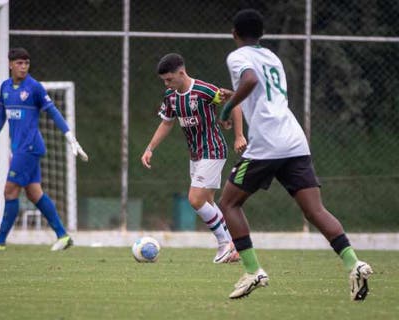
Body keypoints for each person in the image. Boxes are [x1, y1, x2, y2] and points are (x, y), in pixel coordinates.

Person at [218, 9, 373, 300]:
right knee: (316, 211)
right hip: (294, 140)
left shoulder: (237, 56)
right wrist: (237, 96)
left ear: (234, 33)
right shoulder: (273, 57)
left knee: (229, 203)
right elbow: (260, 89)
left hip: (266, 143)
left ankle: (253, 271)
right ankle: (354, 264)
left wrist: (227, 109)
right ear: (261, 34)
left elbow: (250, 81)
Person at [0, 48, 88, 251]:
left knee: (9, 191)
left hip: (29, 147)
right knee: (34, 193)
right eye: (19, 63)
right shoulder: (5, 87)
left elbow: (53, 112)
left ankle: (0, 241)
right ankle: (63, 236)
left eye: (26, 63)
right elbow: (2, 115)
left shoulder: (34, 87)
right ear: (10, 64)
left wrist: (70, 138)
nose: (23, 67)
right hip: (20, 147)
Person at [141, 53, 246, 263]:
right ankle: (235, 246)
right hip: (196, 154)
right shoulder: (171, 97)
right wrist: (150, 148)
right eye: (164, 81)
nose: (167, 84)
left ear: (181, 73)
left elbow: (235, 101)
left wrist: (239, 135)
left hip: (213, 149)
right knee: (207, 202)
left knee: (195, 199)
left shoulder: (204, 90)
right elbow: (167, 122)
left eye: (169, 79)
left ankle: (224, 244)